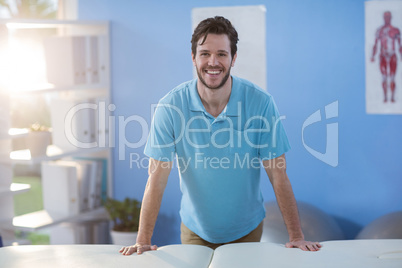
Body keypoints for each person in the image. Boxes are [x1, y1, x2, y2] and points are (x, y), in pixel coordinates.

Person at [120, 16, 322, 255]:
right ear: (193, 57)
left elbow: (278, 174)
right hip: (196, 229)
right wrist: (142, 239)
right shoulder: (170, 107)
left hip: (246, 228)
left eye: (222, 54)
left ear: (233, 58)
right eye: (204, 53)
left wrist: (296, 236)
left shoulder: (261, 103)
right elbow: (157, 178)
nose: (212, 62)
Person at [371, 11, 402, 103]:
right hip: (383, 56)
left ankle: (392, 97)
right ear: (383, 18)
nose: (387, 19)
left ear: (390, 18)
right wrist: (373, 55)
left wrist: (401, 55)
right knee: (384, 77)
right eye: (385, 17)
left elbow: (400, 45)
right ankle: (385, 97)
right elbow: (375, 44)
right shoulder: (379, 30)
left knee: (392, 77)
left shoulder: (395, 30)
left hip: (392, 55)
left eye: (388, 17)